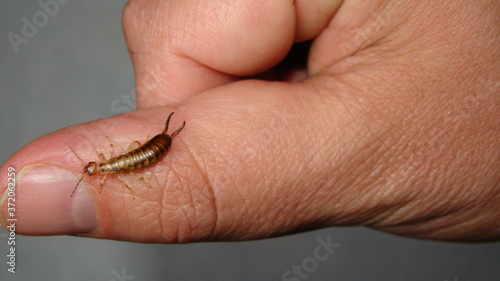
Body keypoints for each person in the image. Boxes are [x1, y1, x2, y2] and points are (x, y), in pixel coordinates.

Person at [1, 0, 498, 242]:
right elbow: (131, 165)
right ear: (96, 171)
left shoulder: (108, 168)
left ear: (94, 166)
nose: (94, 169)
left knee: (153, 146)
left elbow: (129, 162)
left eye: (90, 169)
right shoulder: (113, 170)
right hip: (152, 148)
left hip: (153, 146)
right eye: (91, 171)